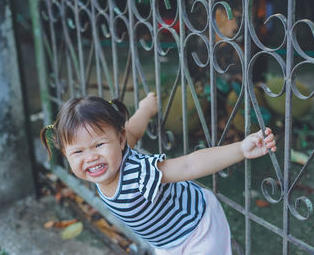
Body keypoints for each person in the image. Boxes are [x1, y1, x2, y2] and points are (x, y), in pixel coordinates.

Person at [41, 92, 276, 255]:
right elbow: (133, 130)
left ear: (118, 140)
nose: (90, 157)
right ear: (66, 154)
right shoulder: (103, 166)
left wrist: (240, 149)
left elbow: (189, 166)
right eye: (78, 151)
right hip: (166, 240)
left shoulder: (138, 173)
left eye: (99, 145)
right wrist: (146, 109)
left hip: (197, 226)